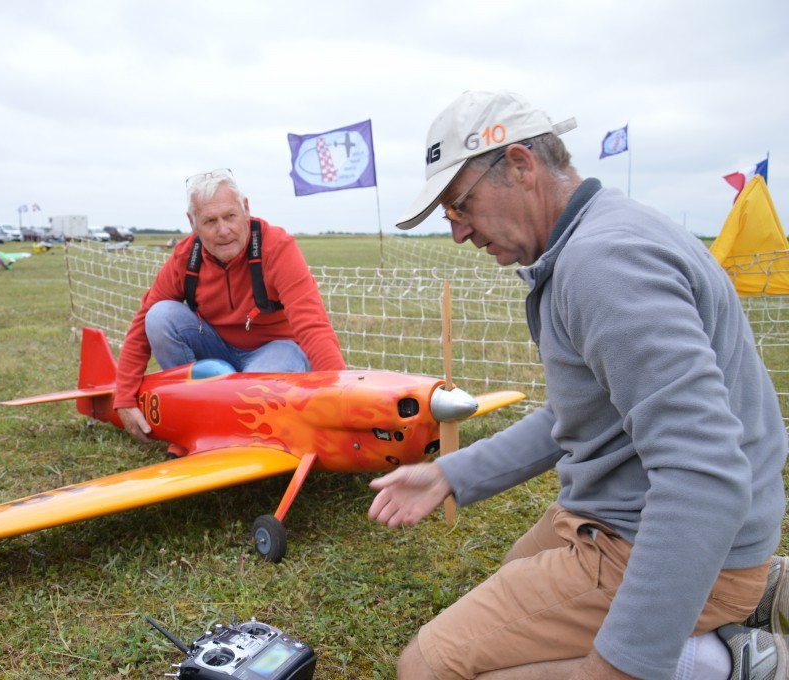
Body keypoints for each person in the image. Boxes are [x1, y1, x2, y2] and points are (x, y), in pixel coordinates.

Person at [367, 90, 788, 680]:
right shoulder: (604, 231)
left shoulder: (601, 265)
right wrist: (449, 474)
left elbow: (703, 474)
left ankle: (716, 665)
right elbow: (585, 411)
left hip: (668, 544)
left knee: (429, 666)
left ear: (520, 165)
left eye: (461, 205)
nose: (458, 232)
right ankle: (730, 616)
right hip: (627, 519)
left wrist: (621, 665)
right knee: (517, 566)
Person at [114, 168, 346, 447]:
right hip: (215, 350)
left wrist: (341, 396)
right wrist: (124, 398)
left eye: (230, 216)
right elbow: (143, 323)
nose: (223, 231)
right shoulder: (186, 256)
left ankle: (233, 430)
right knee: (159, 315)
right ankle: (194, 422)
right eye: (210, 221)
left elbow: (313, 326)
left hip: (275, 351)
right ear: (192, 222)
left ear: (245, 208)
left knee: (269, 378)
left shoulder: (278, 248)